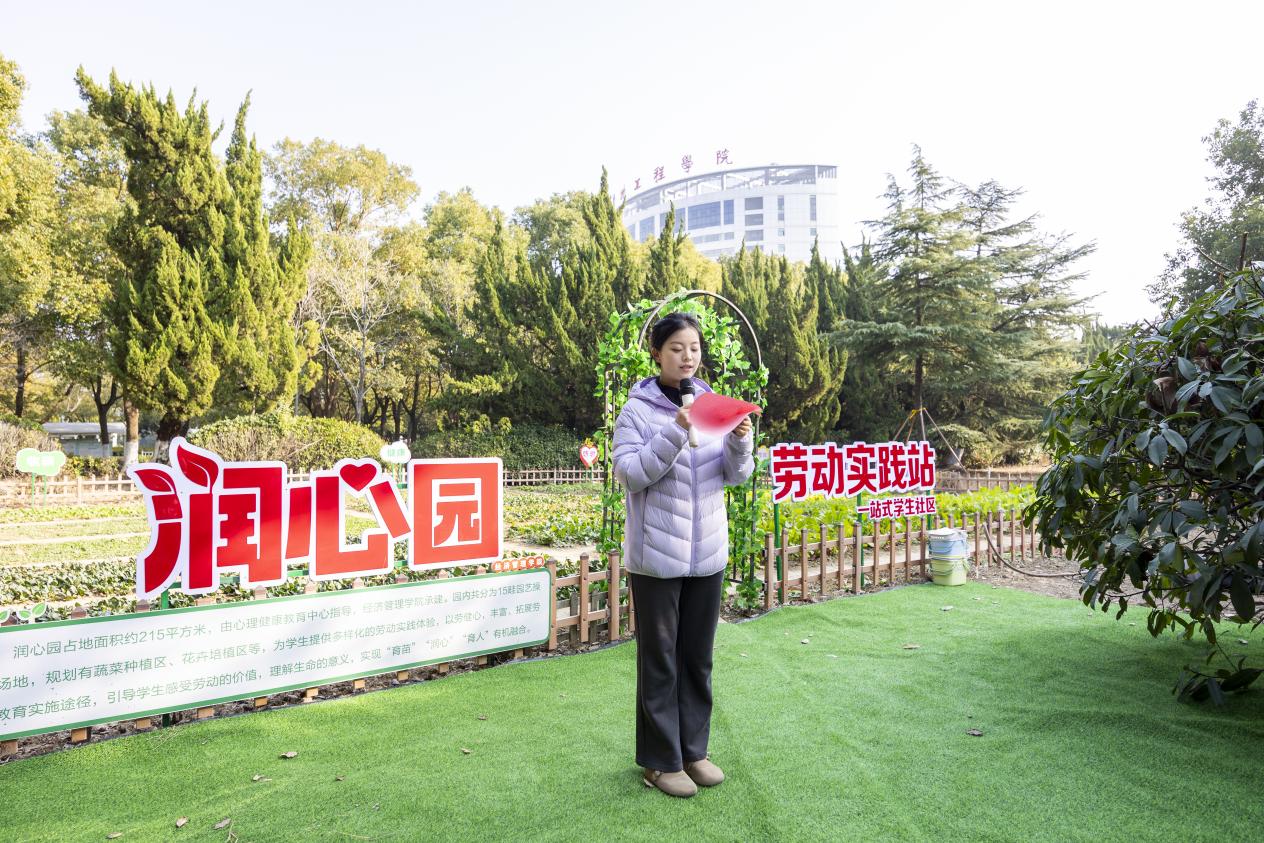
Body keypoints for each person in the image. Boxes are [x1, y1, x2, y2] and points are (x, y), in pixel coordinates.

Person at [612, 312, 755, 798]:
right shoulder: (636, 410)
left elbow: (734, 476)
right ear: (657, 353)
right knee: (661, 662)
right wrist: (676, 429)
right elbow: (630, 475)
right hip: (657, 558)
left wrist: (739, 442)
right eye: (676, 348)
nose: (687, 356)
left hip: (707, 554)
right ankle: (659, 763)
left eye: (693, 347)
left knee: (697, 659)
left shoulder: (714, 406)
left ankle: (693, 752)